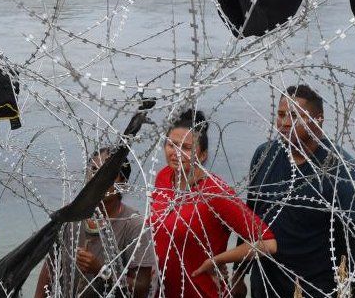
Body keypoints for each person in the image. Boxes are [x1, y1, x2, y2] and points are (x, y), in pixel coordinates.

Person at [241, 84, 355, 298]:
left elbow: (352, 249)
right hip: (264, 285)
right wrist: (238, 275)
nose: (285, 123)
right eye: (281, 115)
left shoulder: (344, 173)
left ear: (318, 120)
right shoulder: (265, 155)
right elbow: (249, 218)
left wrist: (346, 293)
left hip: (314, 288)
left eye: (294, 116)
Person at [149, 109, 277, 298]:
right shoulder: (163, 177)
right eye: (171, 145)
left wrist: (216, 260)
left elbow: (268, 243)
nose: (176, 153)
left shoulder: (215, 192)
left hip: (202, 290)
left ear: (202, 155)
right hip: (163, 289)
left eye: (185, 148)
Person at [34, 148, 156, 298]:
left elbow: (142, 288)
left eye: (109, 173)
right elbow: (50, 269)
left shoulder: (133, 225)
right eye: (93, 170)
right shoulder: (69, 216)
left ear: (123, 183)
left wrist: (102, 271)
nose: (98, 178)